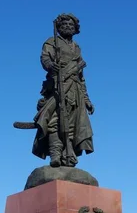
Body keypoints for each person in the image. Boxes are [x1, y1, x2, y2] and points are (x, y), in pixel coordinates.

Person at [32, 13, 95, 167]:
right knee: (54, 120)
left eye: (71, 25)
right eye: (64, 24)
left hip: (75, 90)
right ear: (58, 27)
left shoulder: (77, 48)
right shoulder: (51, 41)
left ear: (75, 29)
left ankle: (68, 155)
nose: (67, 27)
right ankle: (55, 153)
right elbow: (45, 58)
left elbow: (81, 77)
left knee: (73, 124)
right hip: (57, 87)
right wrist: (50, 65)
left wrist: (86, 99)